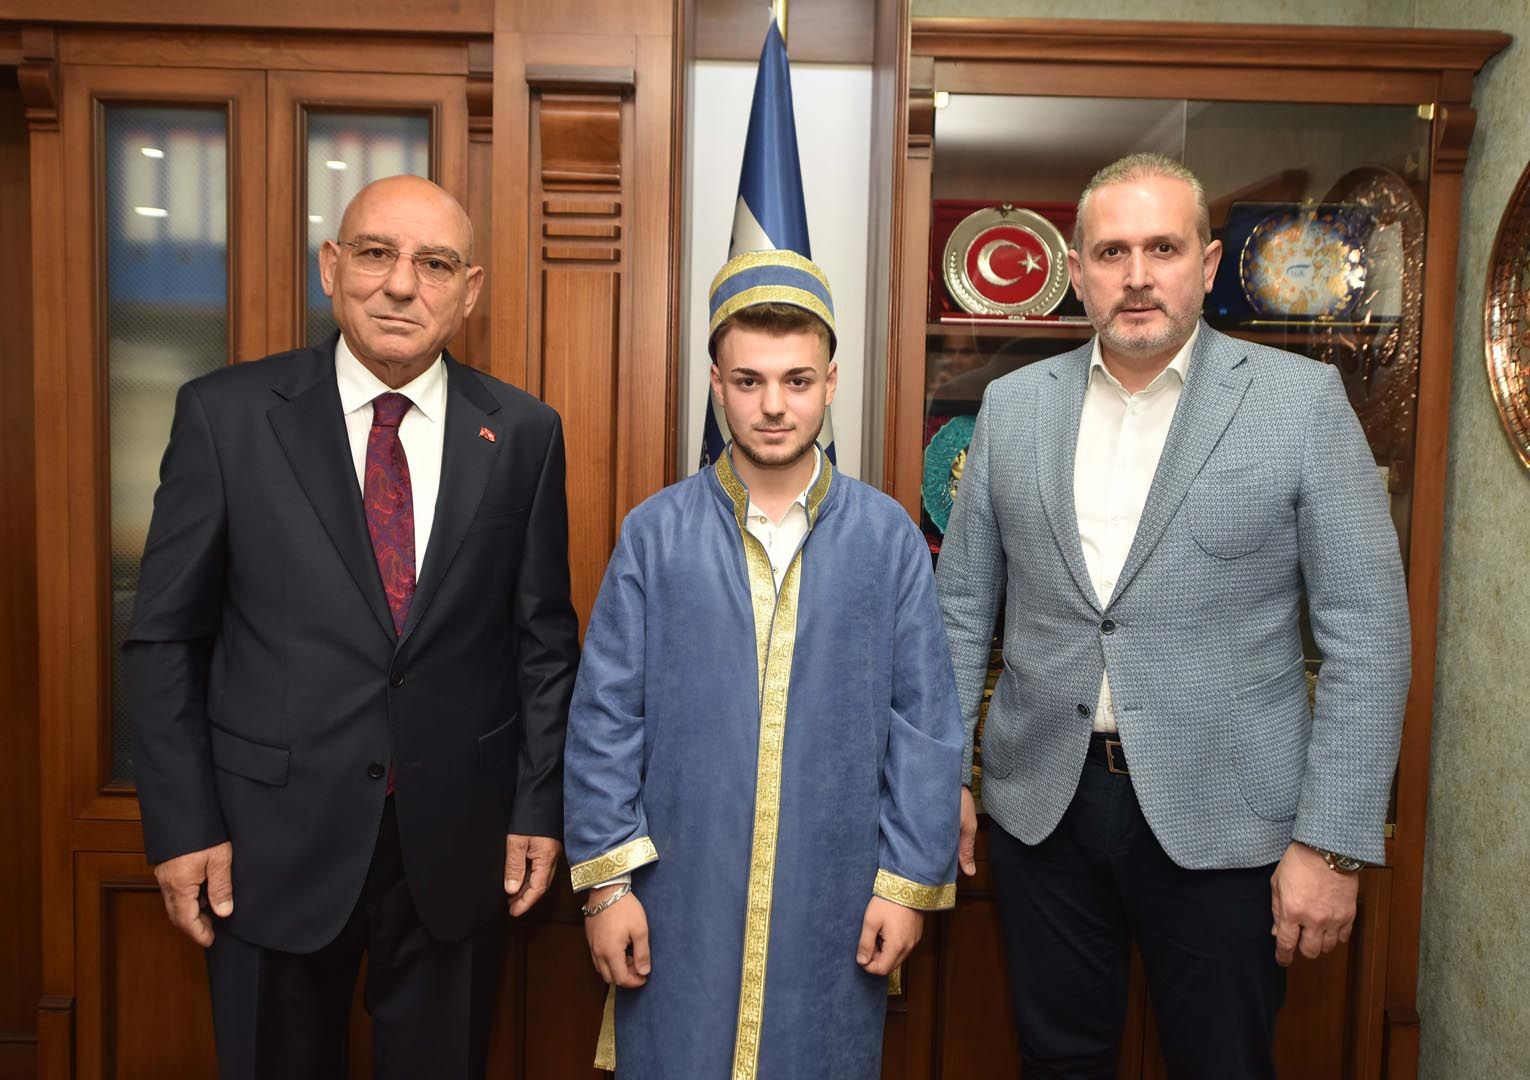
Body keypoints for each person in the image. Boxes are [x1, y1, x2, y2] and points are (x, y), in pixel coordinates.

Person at [935, 153, 1411, 1079]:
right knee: (1057, 1062)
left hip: (1230, 819)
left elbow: (1368, 633)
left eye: (1164, 248)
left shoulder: (1301, 404)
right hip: (1044, 811)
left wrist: (1331, 843)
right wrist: (945, 774)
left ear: (1209, 260)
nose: (1138, 275)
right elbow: (960, 609)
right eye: (1112, 252)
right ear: (1078, 272)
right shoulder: (1012, 407)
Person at [124, 175, 580, 1079]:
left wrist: (537, 806)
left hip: (456, 846)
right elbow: (164, 640)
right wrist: (181, 826)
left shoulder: (525, 433)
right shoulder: (225, 417)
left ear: (469, 290)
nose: (401, 284)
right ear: (331, 267)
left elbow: (543, 643)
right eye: (376, 254)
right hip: (264, 847)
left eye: (434, 264)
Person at [563, 249, 963, 1079]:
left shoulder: (887, 537)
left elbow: (925, 724)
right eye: (749, 381)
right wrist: (608, 888)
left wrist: (904, 884)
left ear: (831, 382)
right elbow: (605, 716)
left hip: (836, 899)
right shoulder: (654, 533)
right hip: (678, 899)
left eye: (797, 380)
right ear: (717, 384)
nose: (774, 405)